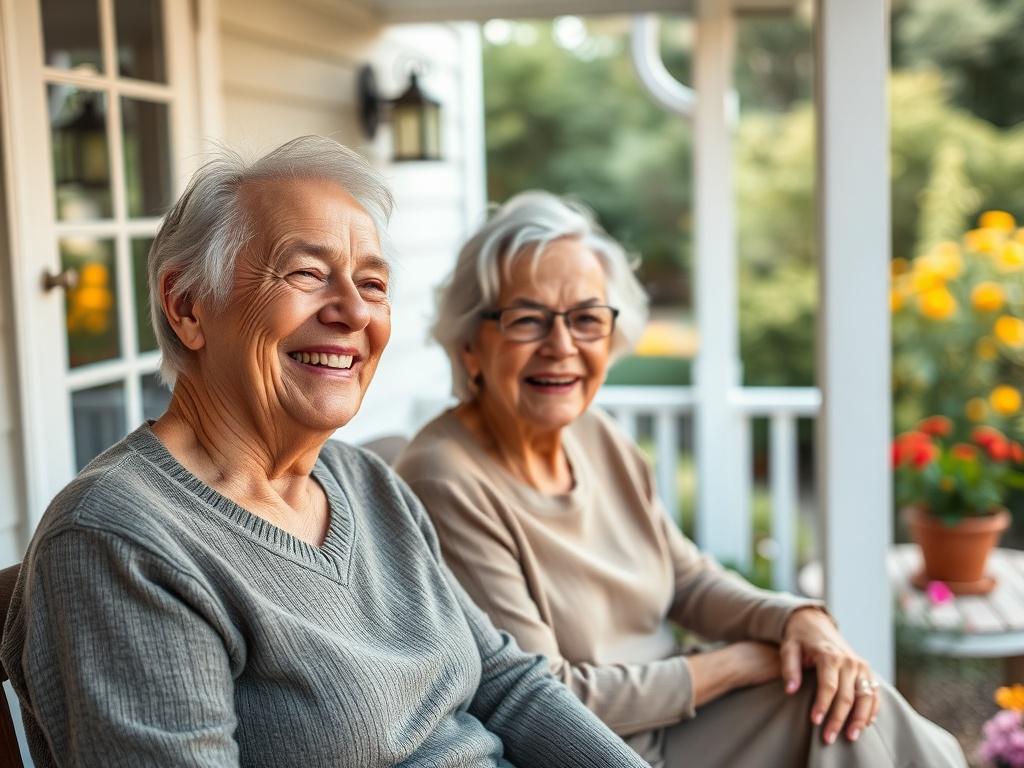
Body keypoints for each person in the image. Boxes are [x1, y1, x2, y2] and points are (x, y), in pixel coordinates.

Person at [0, 140, 651, 768]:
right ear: (187, 306)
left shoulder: (364, 481)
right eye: (308, 273)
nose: (352, 312)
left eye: (371, 285)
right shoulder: (119, 540)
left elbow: (506, 684)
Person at [395, 191, 967, 768]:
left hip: (678, 720)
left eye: (587, 319)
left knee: (856, 709)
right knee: (850, 728)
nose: (562, 346)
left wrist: (796, 618)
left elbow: (685, 578)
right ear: (470, 344)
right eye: (527, 320)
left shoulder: (597, 435)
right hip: (604, 750)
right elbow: (539, 699)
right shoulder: (444, 478)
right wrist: (735, 663)